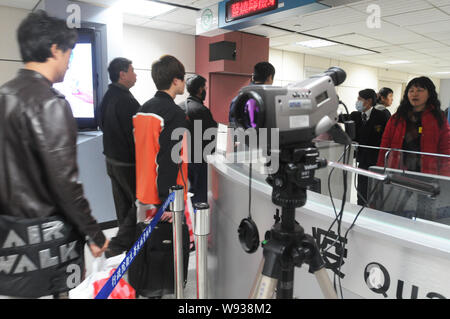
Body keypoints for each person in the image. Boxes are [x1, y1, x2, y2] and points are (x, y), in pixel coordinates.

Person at [0, 10, 108, 298]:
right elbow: (65, 182)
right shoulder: (50, 103)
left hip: (10, 242)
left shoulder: (4, 95)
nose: (69, 61)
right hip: (46, 245)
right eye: (69, 53)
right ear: (54, 49)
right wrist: (94, 234)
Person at [133, 54, 188, 221]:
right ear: (175, 80)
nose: (184, 82)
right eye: (183, 78)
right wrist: (169, 202)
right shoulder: (174, 114)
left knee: (150, 243)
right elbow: (169, 160)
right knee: (173, 244)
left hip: (144, 192)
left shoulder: (142, 109)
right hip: (164, 198)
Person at [97, 58, 140, 257]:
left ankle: (125, 243)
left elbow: (101, 122)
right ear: (122, 74)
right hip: (127, 162)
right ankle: (119, 243)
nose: (135, 74)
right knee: (137, 203)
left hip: (111, 160)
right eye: (132, 70)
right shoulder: (128, 101)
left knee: (122, 203)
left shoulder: (107, 96)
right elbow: (135, 136)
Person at [377, 77, 450, 176]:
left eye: (420, 90)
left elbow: (445, 148)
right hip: (398, 171)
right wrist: (381, 169)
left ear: (429, 94)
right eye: (411, 91)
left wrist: (444, 177)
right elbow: (385, 146)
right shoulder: (397, 118)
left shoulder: (438, 118)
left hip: (427, 174)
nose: (414, 94)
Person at [179, 75, 217, 205]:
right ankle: (198, 222)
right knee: (199, 196)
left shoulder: (179, 107)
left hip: (181, 159)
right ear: (200, 90)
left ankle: (186, 221)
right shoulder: (202, 111)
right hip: (199, 161)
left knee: (185, 194)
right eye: (205, 87)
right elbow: (211, 140)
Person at [350, 89, 388, 205]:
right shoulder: (355, 115)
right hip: (361, 158)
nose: (357, 102)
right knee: (361, 185)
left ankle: (374, 209)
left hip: (376, 160)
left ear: (369, 101)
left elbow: (385, 137)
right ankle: (360, 206)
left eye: (359, 99)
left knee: (374, 188)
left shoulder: (381, 116)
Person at [228, 61, 275, 127]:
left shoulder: (237, 99)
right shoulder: (273, 101)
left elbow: (232, 126)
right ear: (270, 77)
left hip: (241, 136)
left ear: (254, 76)